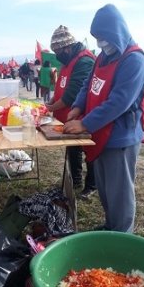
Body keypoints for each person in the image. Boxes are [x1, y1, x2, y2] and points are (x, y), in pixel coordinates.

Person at [64, 4, 144, 233]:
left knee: (119, 192)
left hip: (120, 137)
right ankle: (111, 226)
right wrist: (77, 106)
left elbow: (118, 102)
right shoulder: (103, 56)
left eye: (104, 38)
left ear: (117, 33)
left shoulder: (134, 60)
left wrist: (84, 123)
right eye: (98, 39)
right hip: (100, 133)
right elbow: (87, 84)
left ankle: (122, 235)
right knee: (105, 188)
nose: (101, 44)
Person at [46, 25, 97, 198]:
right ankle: (75, 180)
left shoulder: (84, 61)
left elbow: (72, 93)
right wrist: (51, 100)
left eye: (58, 51)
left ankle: (92, 185)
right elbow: (62, 85)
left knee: (88, 150)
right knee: (73, 148)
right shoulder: (68, 61)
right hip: (67, 116)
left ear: (67, 48)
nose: (57, 55)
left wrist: (51, 108)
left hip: (82, 114)